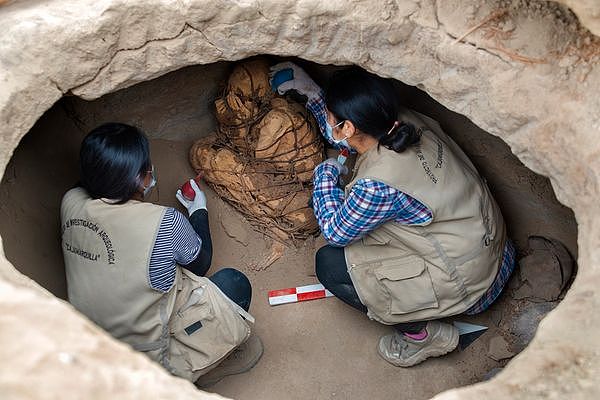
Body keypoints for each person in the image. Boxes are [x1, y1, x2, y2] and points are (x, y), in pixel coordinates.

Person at [270, 63, 516, 367]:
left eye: (333, 118)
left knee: (331, 264)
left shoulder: (376, 186)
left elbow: (335, 231)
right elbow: (350, 137)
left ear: (347, 127)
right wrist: (312, 94)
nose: (331, 123)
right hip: (492, 245)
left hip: (473, 283)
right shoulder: (401, 121)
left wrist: (323, 176)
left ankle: (421, 335)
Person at [60, 123, 263, 386]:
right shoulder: (165, 222)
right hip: (145, 360)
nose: (150, 172)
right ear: (136, 180)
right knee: (234, 284)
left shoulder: (71, 200)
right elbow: (200, 264)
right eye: (146, 169)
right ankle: (192, 372)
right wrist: (198, 210)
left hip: (92, 344)